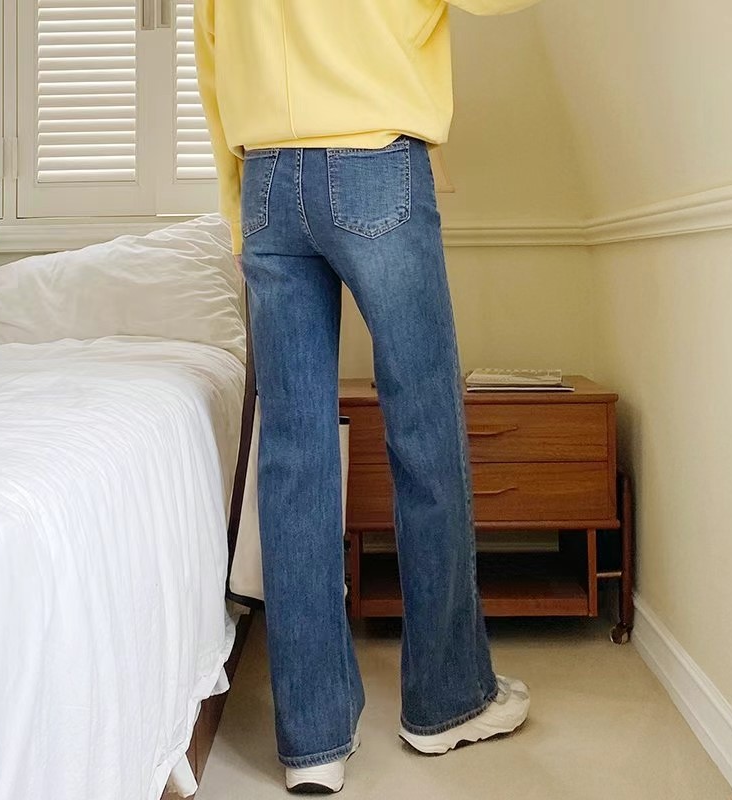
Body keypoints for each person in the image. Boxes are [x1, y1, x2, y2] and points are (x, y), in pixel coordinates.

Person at [193, 0, 540, 793]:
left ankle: (312, 740)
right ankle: (448, 702)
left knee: (294, 456)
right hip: (375, 162)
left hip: (266, 176)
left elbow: (211, 59)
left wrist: (237, 208)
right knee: (424, 430)